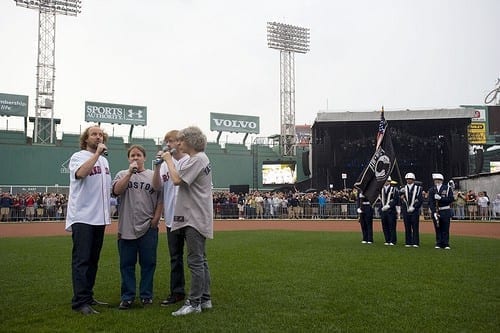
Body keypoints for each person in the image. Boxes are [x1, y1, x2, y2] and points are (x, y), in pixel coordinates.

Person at [161, 126, 213, 316]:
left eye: (181, 140)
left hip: (194, 217)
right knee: (201, 260)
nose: (179, 143)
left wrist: (168, 160)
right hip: (197, 214)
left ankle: (194, 303)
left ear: (190, 141)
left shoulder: (197, 159)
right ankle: (205, 298)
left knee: (195, 261)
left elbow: (176, 180)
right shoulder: (200, 159)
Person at [65, 125, 111, 315]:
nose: (98, 137)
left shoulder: (105, 163)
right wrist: (96, 155)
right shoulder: (78, 156)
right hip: (82, 216)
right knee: (82, 260)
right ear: (86, 139)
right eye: (94, 134)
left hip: (99, 217)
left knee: (93, 260)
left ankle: (88, 296)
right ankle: (80, 302)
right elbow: (81, 174)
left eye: (101, 135)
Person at [112, 144, 163, 310]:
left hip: (148, 226)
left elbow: (160, 197)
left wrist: (156, 219)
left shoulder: (152, 175)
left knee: (148, 264)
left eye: (138, 155)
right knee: (126, 264)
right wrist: (129, 173)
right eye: (132, 155)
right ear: (128, 159)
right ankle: (127, 297)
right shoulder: (122, 174)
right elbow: (117, 191)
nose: (135, 158)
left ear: (144, 158)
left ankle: (146, 296)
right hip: (126, 226)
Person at [152, 130, 190, 307]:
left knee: (196, 258)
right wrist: (158, 166)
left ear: (180, 142)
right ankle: (177, 292)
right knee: (175, 258)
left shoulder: (190, 160)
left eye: (171, 141)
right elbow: (157, 186)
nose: (168, 144)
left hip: (190, 218)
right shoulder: (165, 164)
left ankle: (201, 294)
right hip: (171, 218)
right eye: (166, 141)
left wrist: (167, 160)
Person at [428, 173, 454, 249]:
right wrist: (434, 211)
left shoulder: (447, 188)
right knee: (437, 228)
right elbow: (430, 202)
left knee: (445, 228)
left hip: (445, 210)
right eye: (436, 180)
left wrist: (441, 198)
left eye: (439, 180)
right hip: (436, 211)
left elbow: (451, 199)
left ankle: (446, 243)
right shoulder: (432, 189)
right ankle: (438, 243)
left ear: (442, 180)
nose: (437, 181)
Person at [400, 172, 423, 247]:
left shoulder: (418, 188)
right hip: (406, 210)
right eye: (407, 179)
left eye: (410, 179)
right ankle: (408, 242)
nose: (408, 180)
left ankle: (415, 242)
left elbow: (420, 200)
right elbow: (399, 199)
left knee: (415, 227)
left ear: (413, 179)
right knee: (407, 226)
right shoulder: (403, 188)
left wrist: (414, 207)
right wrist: (401, 198)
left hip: (414, 211)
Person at [379, 177, 399, 246]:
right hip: (383, 211)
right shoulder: (381, 189)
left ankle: (393, 240)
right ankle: (387, 240)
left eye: (387, 181)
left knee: (392, 226)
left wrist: (389, 205)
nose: (385, 182)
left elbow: (396, 199)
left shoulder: (394, 189)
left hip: (391, 211)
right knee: (385, 226)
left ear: (389, 181)